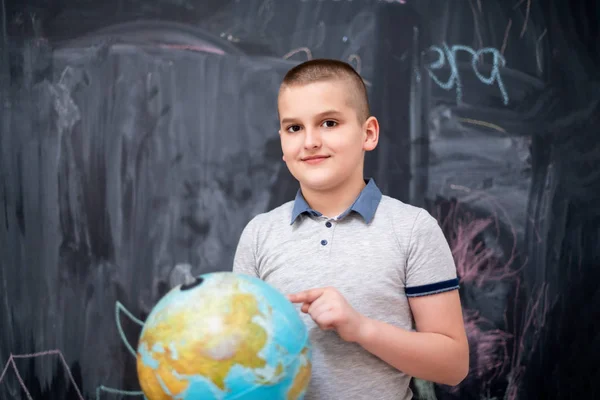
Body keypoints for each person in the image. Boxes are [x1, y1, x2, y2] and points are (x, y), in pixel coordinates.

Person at [233, 58, 469, 400]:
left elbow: (453, 365)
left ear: (368, 133)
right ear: (282, 143)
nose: (310, 141)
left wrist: (361, 328)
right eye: (294, 128)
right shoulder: (259, 234)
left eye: (329, 123)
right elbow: (241, 359)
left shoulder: (412, 229)